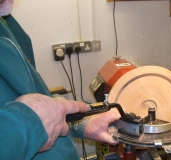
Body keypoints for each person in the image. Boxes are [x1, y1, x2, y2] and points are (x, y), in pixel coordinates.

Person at [0, 0, 121, 159]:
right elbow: (29, 118)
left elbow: (33, 95)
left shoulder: (6, 20)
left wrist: (79, 123)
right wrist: (28, 123)